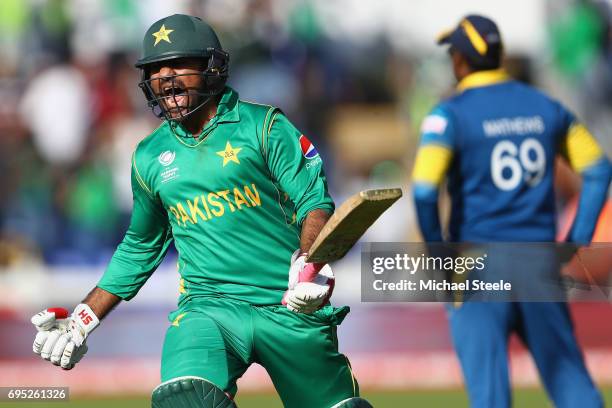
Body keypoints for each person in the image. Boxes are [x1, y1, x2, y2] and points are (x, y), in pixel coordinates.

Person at [30, 14, 371, 408]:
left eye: (178, 65)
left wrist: (309, 264)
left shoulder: (263, 127)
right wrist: (83, 319)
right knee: (185, 398)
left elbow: (314, 202)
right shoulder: (150, 157)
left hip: (290, 304)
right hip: (208, 309)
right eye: (156, 70)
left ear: (212, 68)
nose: (165, 78)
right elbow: (140, 247)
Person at [412, 14, 611, 408]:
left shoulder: (448, 115)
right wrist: (576, 239)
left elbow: (423, 189)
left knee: (490, 396)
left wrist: (439, 255)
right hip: (539, 264)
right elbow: (599, 168)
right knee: (573, 387)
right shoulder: (544, 106)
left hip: (477, 265)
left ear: (460, 61)